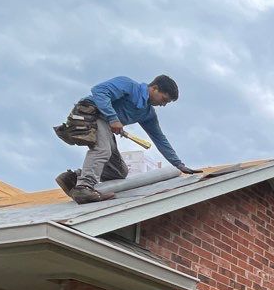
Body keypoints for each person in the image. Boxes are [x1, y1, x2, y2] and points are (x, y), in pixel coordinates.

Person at [53, 75, 199, 204]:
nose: (163, 104)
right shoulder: (129, 85)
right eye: (164, 99)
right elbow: (99, 91)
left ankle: (72, 178)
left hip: (104, 123)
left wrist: (178, 164)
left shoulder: (147, 113)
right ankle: (83, 188)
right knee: (103, 150)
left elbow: (160, 138)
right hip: (90, 113)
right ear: (154, 88)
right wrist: (113, 118)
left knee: (118, 172)